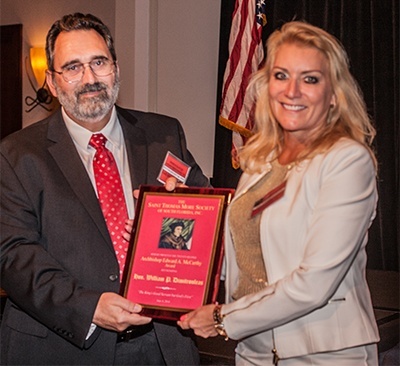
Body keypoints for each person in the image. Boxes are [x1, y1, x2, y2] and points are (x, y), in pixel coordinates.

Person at [0, 13, 209, 365]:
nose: (90, 78)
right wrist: (89, 308)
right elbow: (13, 255)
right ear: (51, 82)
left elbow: (207, 226)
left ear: (116, 68)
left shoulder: (164, 134)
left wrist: (180, 212)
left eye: (99, 62)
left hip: (163, 345)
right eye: (72, 67)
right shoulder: (15, 155)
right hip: (61, 346)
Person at [178, 21, 380, 365]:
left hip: (323, 354)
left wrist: (223, 319)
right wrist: (169, 227)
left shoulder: (347, 161)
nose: (292, 91)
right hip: (254, 352)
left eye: (310, 79)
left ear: (333, 94)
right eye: (281, 75)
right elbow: (239, 253)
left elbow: (314, 283)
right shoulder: (261, 158)